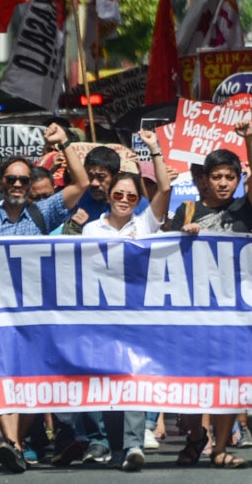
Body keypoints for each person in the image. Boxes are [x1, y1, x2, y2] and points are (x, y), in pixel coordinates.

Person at [0, 122, 89, 473]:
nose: (17, 185)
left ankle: (17, 443)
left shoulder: (42, 212)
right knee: (5, 377)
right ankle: (12, 443)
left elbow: (80, 184)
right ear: (0, 183)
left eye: (23, 180)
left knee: (31, 380)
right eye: (11, 180)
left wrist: (63, 143)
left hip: (37, 312)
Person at [171, 118, 252, 469]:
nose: (224, 183)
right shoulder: (187, 211)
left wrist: (250, 140)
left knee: (229, 379)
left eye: (230, 177)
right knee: (191, 381)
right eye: (217, 177)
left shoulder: (243, 208)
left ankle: (221, 447)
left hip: (234, 310)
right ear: (204, 180)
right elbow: (164, 254)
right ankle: (196, 435)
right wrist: (183, 233)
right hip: (194, 310)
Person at [81, 130, 170, 472]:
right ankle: (116, 447)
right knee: (109, 381)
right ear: (109, 196)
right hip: (101, 316)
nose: (123, 199)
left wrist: (154, 150)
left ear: (137, 202)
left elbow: (164, 190)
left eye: (131, 197)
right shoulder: (91, 230)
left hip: (137, 316)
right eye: (118, 194)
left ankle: (134, 446)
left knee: (132, 377)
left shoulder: (146, 224)